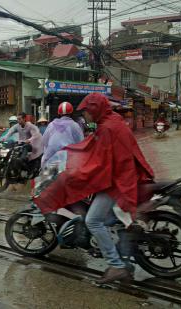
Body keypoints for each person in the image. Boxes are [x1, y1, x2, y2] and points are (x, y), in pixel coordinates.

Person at [34, 93, 154, 284]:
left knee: (93, 220)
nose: (86, 116)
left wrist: (76, 173)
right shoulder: (112, 121)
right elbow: (86, 145)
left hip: (118, 181)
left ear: (95, 110)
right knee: (106, 219)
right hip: (122, 174)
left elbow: (95, 158)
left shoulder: (105, 128)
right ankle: (123, 254)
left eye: (88, 112)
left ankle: (116, 265)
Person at [40, 102, 84, 168]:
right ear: (71, 113)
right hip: (68, 160)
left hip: (50, 160)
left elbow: (44, 141)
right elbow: (81, 143)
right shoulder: (74, 125)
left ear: (59, 114)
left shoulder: (51, 124)